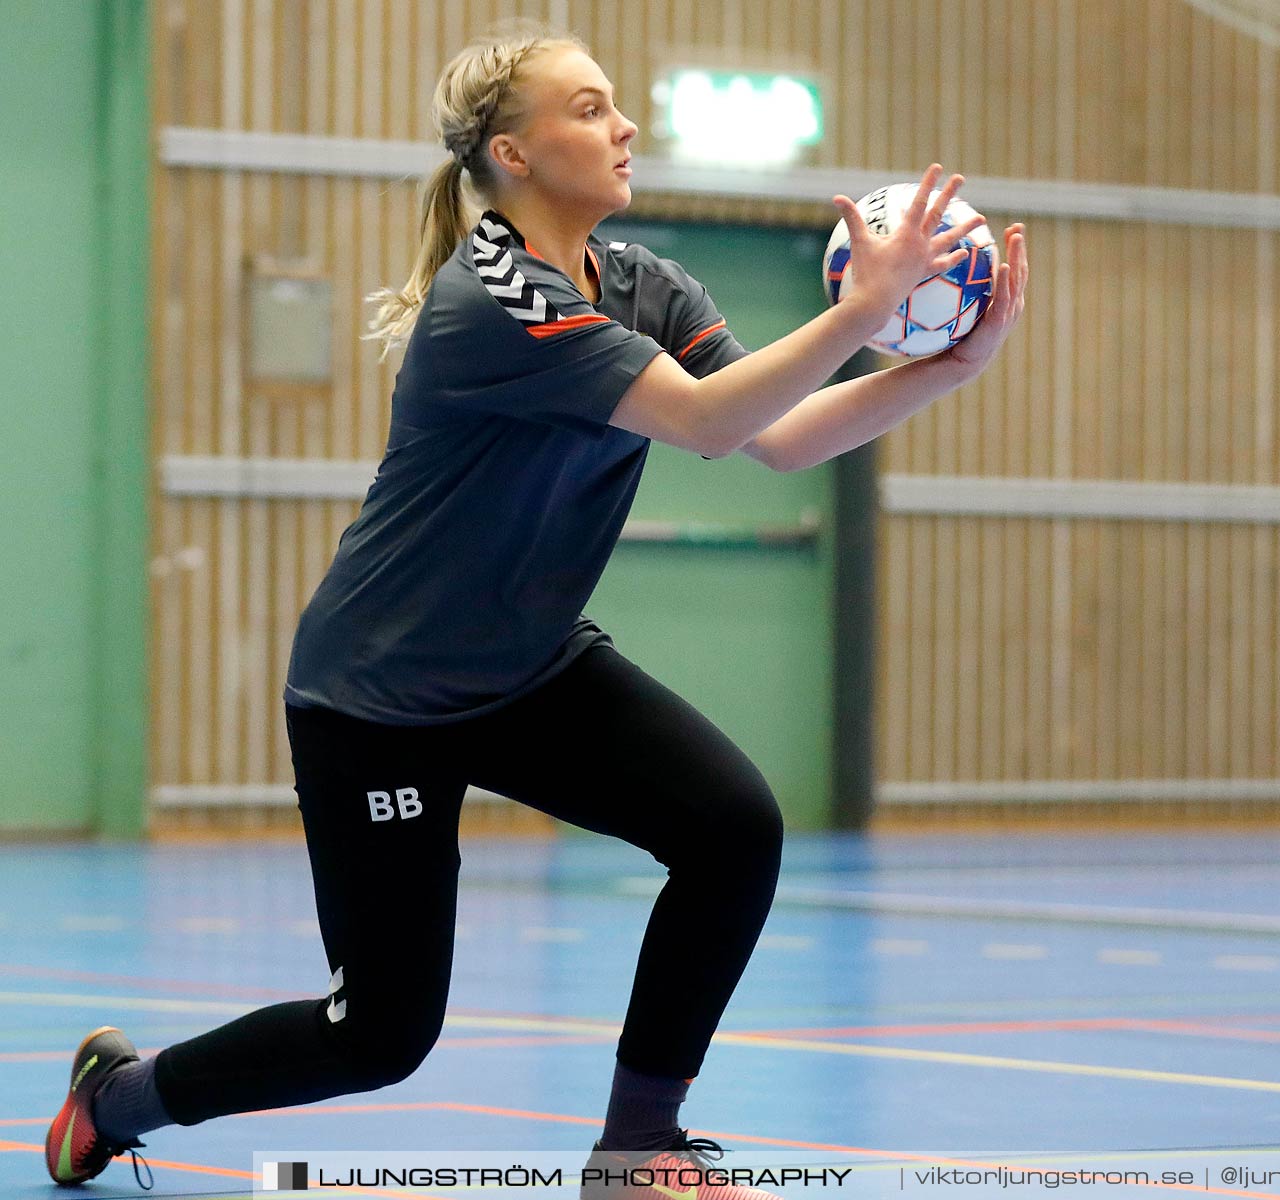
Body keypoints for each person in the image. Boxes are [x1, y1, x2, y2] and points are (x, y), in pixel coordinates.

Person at [45, 29, 1027, 1200]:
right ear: (513, 151)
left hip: (528, 669)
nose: (624, 129)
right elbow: (707, 421)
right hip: (381, 698)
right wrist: (867, 319)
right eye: (591, 108)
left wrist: (945, 371)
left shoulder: (648, 281)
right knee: (378, 1038)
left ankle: (637, 1147)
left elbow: (772, 436)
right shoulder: (495, 294)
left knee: (730, 829)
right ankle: (115, 1099)